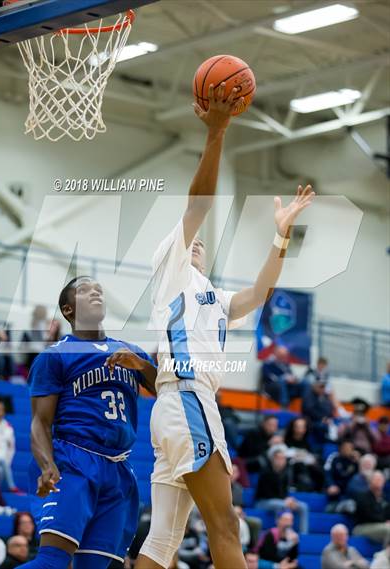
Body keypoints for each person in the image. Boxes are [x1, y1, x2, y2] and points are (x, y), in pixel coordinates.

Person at [135, 81, 315, 569]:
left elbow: (260, 294)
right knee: (227, 526)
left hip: (184, 405)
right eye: (186, 241)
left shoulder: (212, 296)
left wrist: (280, 239)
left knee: (162, 543)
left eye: (198, 244)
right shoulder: (171, 268)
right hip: (187, 398)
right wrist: (215, 133)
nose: (192, 244)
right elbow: (198, 206)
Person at [18, 276, 157, 569]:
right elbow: (40, 423)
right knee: (52, 561)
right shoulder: (54, 357)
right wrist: (46, 465)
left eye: (98, 290)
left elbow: (166, 388)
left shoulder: (129, 351)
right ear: (68, 311)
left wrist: (143, 365)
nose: (94, 292)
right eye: (84, 290)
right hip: (75, 460)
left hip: (119, 468)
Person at [255, 448, 309, 534]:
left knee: (303, 507)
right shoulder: (265, 472)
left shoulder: (285, 474)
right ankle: (284, 534)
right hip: (263, 502)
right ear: (273, 459)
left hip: (279, 501)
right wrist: (285, 501)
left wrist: (290, 500)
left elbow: (284, 493)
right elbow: (266, 494)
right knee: (282, 505)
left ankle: (304, 535)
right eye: (278, 458)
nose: (281, 461)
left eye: (283, 458)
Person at [284, 417, 324, 492]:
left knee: (318, 468)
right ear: (292, 428)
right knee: (300, 466)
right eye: (297, 426)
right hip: (292, 467)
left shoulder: (307, 443)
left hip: (306, 467)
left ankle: (318, 490)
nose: (300, 429)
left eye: (302, 427)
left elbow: (310, 457)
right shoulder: (285, 440)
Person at [353, 470, 390, 543]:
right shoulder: (362, 496)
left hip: (380, 526)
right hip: (362, 527)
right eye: (376, 479)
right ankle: (386, 553)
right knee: (388, 529)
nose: (379, 481)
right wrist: (384, 521)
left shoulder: (384, 498)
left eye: (381, 479)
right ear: (370, 481)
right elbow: (368, 515)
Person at [324, 439, 359, 511]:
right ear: (340, 448)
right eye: (345, 447)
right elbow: (327, 472)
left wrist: (358, 462)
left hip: (348, 491)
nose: (347, 450)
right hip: (335, 489)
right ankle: (334, 507)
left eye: (350, 448)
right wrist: (331, 484)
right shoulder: (334, 457)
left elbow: (359, 477)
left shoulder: (354, 462)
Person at [302, 380, 335, 446]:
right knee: (322, 426)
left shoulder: (324, 397)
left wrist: (328, 418)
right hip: (312, 421)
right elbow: (309, 410)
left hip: (325, 420)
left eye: (323, 387)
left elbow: (330, 408)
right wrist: (322, 418)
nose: (322, 389)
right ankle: (321, 445)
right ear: (314, 386)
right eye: (320, 387)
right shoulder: (308, 396)